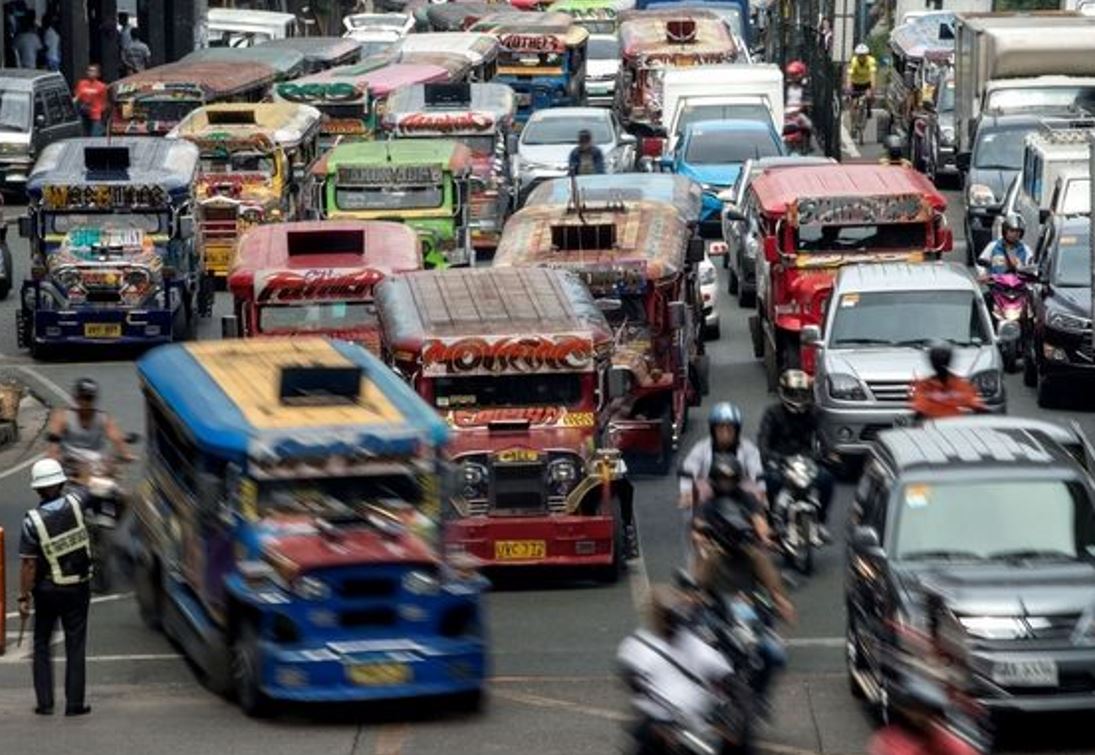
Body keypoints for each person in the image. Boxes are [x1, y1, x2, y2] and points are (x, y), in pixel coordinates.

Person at [617, 584, 735, 755]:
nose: (671, 623)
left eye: (673, 617)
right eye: (668, 617)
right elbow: (632, 680)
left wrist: (726, 718)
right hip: (657, 727)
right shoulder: (637, 646)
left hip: (693, 728)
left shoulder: (696, 647)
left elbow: (726, 680)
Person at [18, 458, 93, 716]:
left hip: (46, 590)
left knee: (41, 643)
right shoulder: (77, 502)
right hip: (78, 587)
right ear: (60, 483)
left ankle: (45, 703)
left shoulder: (32, 522)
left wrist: (24, 596)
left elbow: (28, 565)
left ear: (37, 489)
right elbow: (87, 484)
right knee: (76, 644)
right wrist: (77, 475)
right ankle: (74, 704)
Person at [757, 370, 835, 544]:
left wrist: (827, 454)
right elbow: (763, 441)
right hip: (781, 461)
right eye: (794, 393)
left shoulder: (815, 413)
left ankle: (820, 520)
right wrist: (769, 456)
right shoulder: (772, 414)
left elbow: (824, 437)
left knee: (826, 479)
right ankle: (773, 522)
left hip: (806, 462)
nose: (799, 398)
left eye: (802, 394)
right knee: (770, 481)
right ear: (784, 392)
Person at [678, 403, 767, 551]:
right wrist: (686, 491)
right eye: (721, 428)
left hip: (739, 486)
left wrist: (762, 492)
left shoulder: (748, 448)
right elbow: (688, 469)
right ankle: (700, 542)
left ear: (737, 430)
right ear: (713, 430)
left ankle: (759, 541)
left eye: (729, 428)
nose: (725, 433)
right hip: (711, 486)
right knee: (698, 494)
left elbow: (757, 471)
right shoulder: (702, 447)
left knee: (756, 497)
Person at [867, 673, 980, 755]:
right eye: (918, 710)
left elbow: (960, 749)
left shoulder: (939, 737)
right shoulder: (891, 740)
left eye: (931, 713)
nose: (926, 718)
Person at [46, 378, 135, 464]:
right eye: (82, 397)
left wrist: (125, 454)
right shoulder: (63, 416)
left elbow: (116, 437)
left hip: (96, 462)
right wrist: (53, 456)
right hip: (70, 461)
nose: (85, 402)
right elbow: (54, 438)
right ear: (75, 398)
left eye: (89, 398)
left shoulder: (103, 418)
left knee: (113, 473)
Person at [908, 342, 985, 421]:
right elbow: (920, 409)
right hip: (931, 426)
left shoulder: (959, 384)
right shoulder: (924, 386)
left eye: (943, 360)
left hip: (955, 427)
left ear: (949, 361)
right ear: (932, 362)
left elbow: (976, 405)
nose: (941, 364)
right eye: (937, 360)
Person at [73, 65, 109, 137]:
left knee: (94, 135)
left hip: (95, 114)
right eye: (89, 71)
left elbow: (104, 101)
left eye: (93, 71)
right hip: (83, 113)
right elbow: (77, 97)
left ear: (98, 74)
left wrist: (101, 111)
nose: (91, 73)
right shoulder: (82, 83)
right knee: (84, 135)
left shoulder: (102, 86)